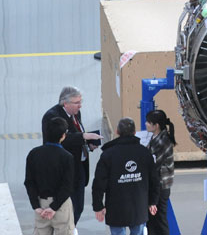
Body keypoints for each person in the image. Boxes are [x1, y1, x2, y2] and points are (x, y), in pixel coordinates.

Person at [42, 86, 102, 226]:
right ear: (65, 103)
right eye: (77, 102)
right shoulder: (52, 117)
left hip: (79, 166)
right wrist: (84, 136)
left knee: (78, 206)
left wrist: (88, 144)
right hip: (64, 170)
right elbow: (60, 139)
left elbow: (77, 133)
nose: (80, 105)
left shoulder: (75, 113)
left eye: (81, 101)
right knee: (67, 207)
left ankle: (70, 228)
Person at [92, 117, 160, 235]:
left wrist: (98, 206)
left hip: (116, 207)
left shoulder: (108, 154)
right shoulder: (144, 153)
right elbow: (154, 180)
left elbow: (99, 183)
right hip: (139, 206)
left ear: (117, 131)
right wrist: (153, 201)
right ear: (134, 132)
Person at [24, 117, 75, 235]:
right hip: (61, 205)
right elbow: (67, 186)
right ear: (63, 136)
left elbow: (29, 182)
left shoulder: (33, 154)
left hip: (41, 205)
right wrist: (54, 207)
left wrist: (35, 206)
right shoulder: (67, 157)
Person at [145, 110, 176, 235]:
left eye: (148, 122)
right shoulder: (156, 137)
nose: (146, 124)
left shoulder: (163, 141)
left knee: (159, 219)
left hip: (161, 186)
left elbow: (154, 163)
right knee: (152, 220)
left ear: (156, 125)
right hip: (155, 184)